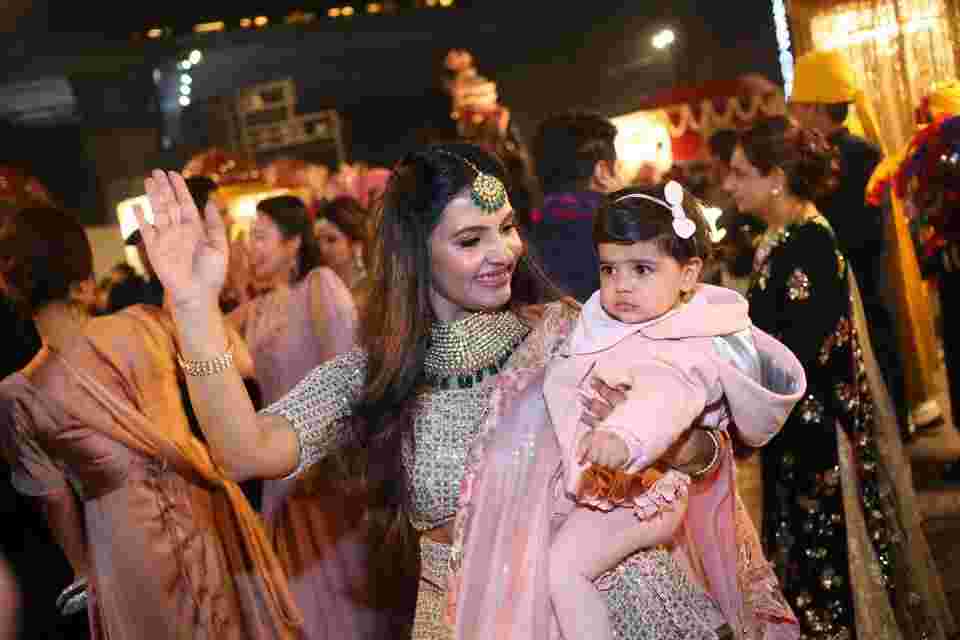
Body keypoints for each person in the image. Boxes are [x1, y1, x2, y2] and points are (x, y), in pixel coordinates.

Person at [133, 143, 724, 640]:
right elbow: (244, 452)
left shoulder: (574, 332)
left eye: (509, 228)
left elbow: (710, 450)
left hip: (616, 608)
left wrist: (663, 441)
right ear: (417, 253)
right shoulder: (374, 378)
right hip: (470, 619)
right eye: (471, 240)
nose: (504, 253)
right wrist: (191, 306)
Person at [0, 206, 301, 639]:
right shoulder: (146, 324)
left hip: (126, 545)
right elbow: (241, 363)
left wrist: (85, 572)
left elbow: (56, 502)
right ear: (79, 269)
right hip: (206, 508)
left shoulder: (19, 395)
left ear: (12, 285)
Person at [724, 116, 956, 639]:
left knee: (824, 570)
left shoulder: (807, 244)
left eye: (741, 173)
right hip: (795, 435)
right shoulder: (781, 236)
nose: (730, 185)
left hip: (816, 440)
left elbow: (799, 355)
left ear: (776, 176)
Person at [543, 181, 804, 640]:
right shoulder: (613, 321)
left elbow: (665, 395)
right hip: (610, 483)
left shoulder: (686, 340)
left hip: (649, 491)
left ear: (688, 274)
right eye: (609, 269)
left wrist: (624, 435)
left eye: (642, 268)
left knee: (565, 569)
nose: (621, 285)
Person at [227, 194, 380, 640]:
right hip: (282, 474)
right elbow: (196, 347)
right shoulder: (249, 314)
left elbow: (350, 377)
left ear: (293, 243)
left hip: (331, 471)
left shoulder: (318, 287)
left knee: (351, 598)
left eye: (259, 236)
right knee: (307, 607)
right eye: (247, 238)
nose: (250, 247)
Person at [789, 50, 914, 432]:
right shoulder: (851, 151)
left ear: (815, 108)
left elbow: (856, 226)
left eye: (800, 107)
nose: (796, 116)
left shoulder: (851, 155)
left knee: (873, 344)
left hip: (856, 271)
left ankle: (891, 427)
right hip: (858, 271)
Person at [528, 112, 622, 301]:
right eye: (619, 169)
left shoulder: (523, 236)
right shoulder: (623, 228)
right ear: (602, 173)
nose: (621, 178)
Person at [314, 196, 369, 290]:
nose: (322, 248)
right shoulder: (317, 286)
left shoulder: (371, 290)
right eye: (317, 240)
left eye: (331, 240)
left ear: (355, 244)